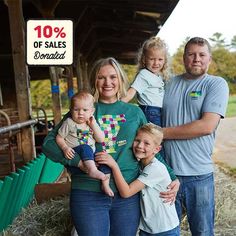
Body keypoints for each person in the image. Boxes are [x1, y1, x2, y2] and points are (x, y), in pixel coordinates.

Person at [42, 57, 180, 236]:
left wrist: (172, 176)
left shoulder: (134, 112)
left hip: (127, 195)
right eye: (101, 77)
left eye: (113, 77)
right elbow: (48, 144)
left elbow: (151, 149)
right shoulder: (84, 110)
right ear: (94, 80)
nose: (108, 82)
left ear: (121, 79)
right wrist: (78, 162)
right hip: (88, 192)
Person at [162, 37, 229, 235]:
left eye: (201, 55)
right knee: (167, 231)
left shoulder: (216, 84)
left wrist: (162, 133)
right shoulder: (169, 83)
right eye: (191, 54)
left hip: (198, 177)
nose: (196, 59)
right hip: (167, 174)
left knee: (202, 232)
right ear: (183, 58)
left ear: (209, 59)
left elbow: (206, 126)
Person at [96, 123, 180, 236]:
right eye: (137, 140)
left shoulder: (155, 169)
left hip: (164, 229)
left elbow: (126, 192)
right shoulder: (139, 163)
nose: (140, 145)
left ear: (157, 149)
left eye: (146, 143)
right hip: (147, 229)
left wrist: (114, 166)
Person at [56, 91, 113, 197]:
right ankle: (92, 170)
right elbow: (59, 137)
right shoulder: (69, 123)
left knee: (105, 161)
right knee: (85, 147)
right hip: (76, 155)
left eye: (85, 110)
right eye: (76, 109)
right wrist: (65, 148)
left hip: (89, 157)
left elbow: (100, 139)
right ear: (71, 110)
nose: (80, 113)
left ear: (92, 111)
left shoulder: (91, 123)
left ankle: (105, 183)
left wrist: (94, 125)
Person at [121, 36, 169, 126]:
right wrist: (116, 106)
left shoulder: (159, 76)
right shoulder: (144, 74)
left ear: (164, 60)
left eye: (160, 59)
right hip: (150, 112)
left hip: (159, 111)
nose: (156, 63)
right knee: (154, 137)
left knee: (157, 137)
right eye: (152, 59)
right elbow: (131, 92)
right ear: (144, 59)